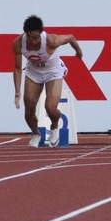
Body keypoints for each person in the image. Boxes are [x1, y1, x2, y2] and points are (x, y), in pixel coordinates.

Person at [13, 15, 83, 147]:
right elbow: (17, 68)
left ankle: (54, 126)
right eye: (29, 37)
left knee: (50, 107)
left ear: (41, 33)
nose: (33, 41)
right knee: (28, 109)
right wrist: (17, 91)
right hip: (34, 73)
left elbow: (71, 37)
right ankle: (36, 134)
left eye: (36, 37)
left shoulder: (51, 40)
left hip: (53, 72)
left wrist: (78, 51)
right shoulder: (18, 43)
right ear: (25, 33)